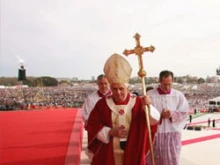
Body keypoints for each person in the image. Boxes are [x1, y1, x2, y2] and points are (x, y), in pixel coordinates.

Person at [87, 54, 160, 165]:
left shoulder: (138, 102)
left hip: (133, 150)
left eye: (121, 88)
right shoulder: (102, 104)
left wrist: (148, 107)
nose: (118, 92)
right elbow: (92, 125)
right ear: (110, 88)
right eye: (114, 89)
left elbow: (154, 121)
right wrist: (110, 132)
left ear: (127, 87)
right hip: (108, 151)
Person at [146, 70, 189, 165]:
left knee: (172, 161)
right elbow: (145, 114)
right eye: (165, 84)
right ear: (159, 81)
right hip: (156, 134)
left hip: (172, 135)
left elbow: (184, 112)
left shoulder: (178, 95)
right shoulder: (150, 95)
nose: (167, 87)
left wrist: (171, 115)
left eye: (170, 84)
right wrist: (158, 115)